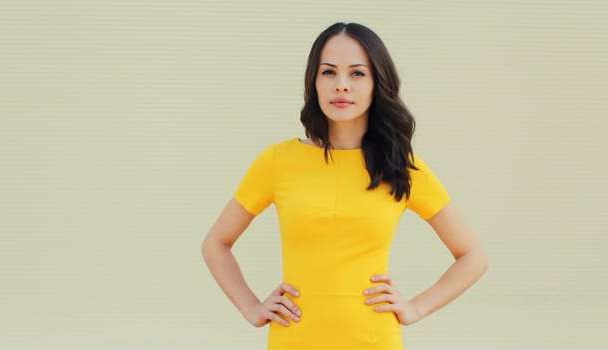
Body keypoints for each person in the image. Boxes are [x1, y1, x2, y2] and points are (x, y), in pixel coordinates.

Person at [201, 22, 489, 350]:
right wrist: (252, 307)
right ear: (314, 81)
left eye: (356, 73)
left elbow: (473, 256)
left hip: (374, 339)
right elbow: (216, 243)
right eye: (328, 73)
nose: (341, 86)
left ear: (376, 82)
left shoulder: (400, 166)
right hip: (295, 338)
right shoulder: (277, 161)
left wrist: (415, 308)